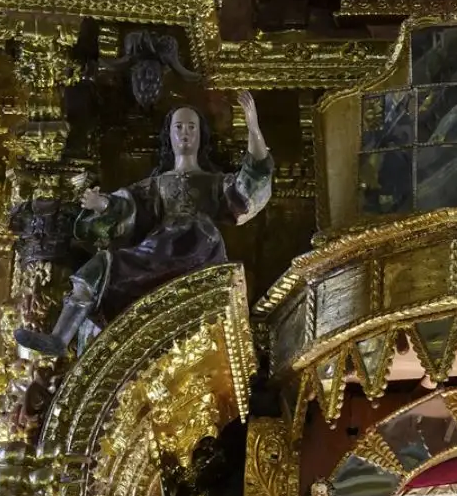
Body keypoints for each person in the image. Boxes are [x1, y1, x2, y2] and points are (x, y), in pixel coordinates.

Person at [15, 96, 274, 357]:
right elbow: (128, 206)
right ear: (169, 136)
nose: (185, 133)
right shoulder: (156, 185)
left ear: (201, 136)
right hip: (157, 251)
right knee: (100, 265)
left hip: (198, 250)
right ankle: (59, 338)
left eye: (192, 127)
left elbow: (249, 186)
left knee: (193, 232)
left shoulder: (216, 184)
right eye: (179, 127)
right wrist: (102, 204)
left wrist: (253, 129)